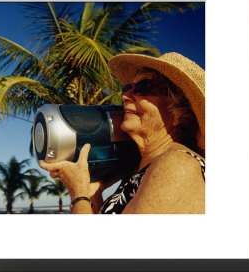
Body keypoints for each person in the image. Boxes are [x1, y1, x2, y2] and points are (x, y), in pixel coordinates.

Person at [40, 52, 205, 214]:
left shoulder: (178, 164)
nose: (125, 96)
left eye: (143, 87)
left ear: (179, 114)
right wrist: (92, 192)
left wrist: (78, 193)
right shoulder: (139, 171)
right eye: (128, 87)